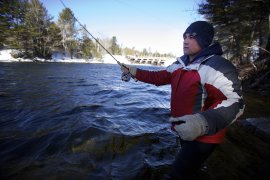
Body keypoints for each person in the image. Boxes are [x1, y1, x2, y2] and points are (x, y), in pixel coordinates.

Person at [120, 21, 245, 179]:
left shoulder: (218, 66)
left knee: (177, 175)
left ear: (205, 40)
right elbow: (157, 77)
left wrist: (201, 123)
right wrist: (134, 71)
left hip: (205, 135)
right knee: (188, 168)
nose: (185, 41)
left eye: (192, 37)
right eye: (184, 37)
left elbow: (236, 102)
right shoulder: (179, 64)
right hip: (183, 129)